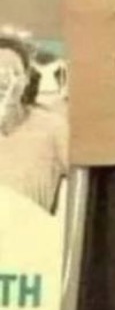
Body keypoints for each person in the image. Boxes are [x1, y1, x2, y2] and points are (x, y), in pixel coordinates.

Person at [0, 36, 67, 215]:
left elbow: (94, 175)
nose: (4, 81)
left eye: (14, 72)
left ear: (26, 79)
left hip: (28, 229)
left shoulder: (52, 128)